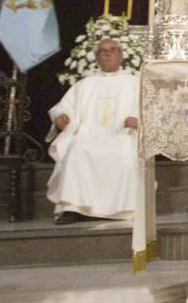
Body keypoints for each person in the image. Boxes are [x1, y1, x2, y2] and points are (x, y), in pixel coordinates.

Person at [46, 39, 141, 224]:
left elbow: (148, 109)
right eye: (102, 51)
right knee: (76, 152)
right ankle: (73, 208)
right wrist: (61, 116)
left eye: (112, 50)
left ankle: (124, 209)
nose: (107, 54)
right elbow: (63, 107)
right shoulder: (85, 84)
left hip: (122, 135)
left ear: (121, 56)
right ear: (97, 58)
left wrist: (137, 120)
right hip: (88, 135)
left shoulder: (134, 83)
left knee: (124, 155)